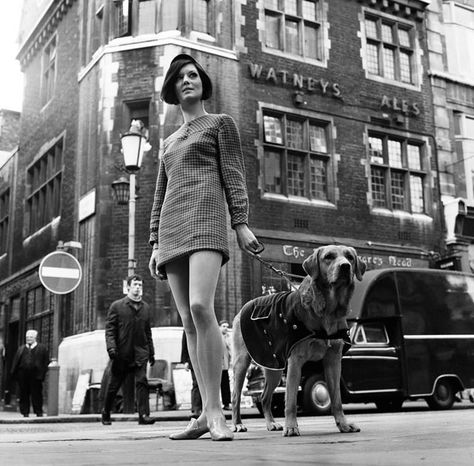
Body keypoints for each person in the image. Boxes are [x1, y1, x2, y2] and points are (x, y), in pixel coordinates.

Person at [148, 53, 260, 441]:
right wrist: (153, 243)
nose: (188, 80)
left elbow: (233, 173)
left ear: (202, 83)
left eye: (193, 74)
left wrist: (241, 223)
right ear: (173, 89)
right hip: (172, 228)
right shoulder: (168, 142)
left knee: (201, 306)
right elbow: (160, 194)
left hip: (208, 220)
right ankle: (202, 414)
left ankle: (216, 411)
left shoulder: (220, 124)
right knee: (187, 321)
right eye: (180, 77)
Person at [102, 274, 156, 426]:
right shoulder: (117, 306)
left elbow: (148, 332)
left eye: (140, 285)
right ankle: (106, 411)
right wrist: (111, 347)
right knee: (114, 385)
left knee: (142, 382)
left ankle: (144, 415)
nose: (138, 287)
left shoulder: (146, 308)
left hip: (140, 352)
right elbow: (110, 330)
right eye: (135, 285)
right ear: (128, 287)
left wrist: (151, 353)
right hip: (121, 353)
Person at [10, 329, 49, 417]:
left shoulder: (42, 348)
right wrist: (15, 374)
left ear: (35, 338)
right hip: (23, 375)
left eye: (31, 337)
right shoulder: (21, 348)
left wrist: (42, 373)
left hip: (36, 375)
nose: (28, 339)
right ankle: (25, 412)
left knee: (37, 394)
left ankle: (38, 411)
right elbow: (16, 361)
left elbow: (46, 361)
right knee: (23, 394)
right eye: (27, 337)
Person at [180, 329, 202, 417]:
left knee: (203, 384)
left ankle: (201, 408)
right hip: (193, 359)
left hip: (203, 358)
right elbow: (184, 344)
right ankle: (196, 408)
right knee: (196, 383)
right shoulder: (187, 328)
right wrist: (185, 361)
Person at [219, 320, 232, 410]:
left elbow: (231, 349)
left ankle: (226, 403)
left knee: (225, 385)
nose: (226, 328)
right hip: (216, 365)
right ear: (220, 327)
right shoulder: (216, 336)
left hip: (225, 365)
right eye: (223, 326)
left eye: (227, 326)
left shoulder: (229, 337)